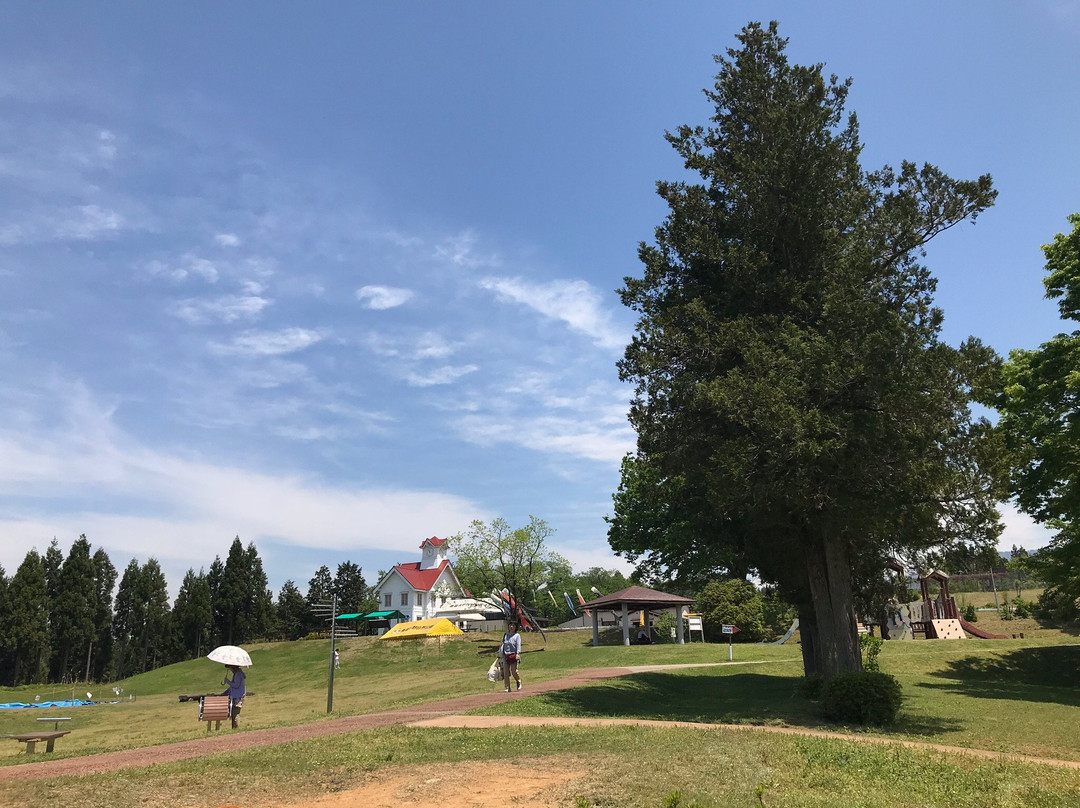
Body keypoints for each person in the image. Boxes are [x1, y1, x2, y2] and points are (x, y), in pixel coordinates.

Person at [498, 620, 522, 692]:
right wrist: (500, 653)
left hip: (514, 655)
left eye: (513, 626)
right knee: (506, 672)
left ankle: (518, 681)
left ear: (516, 627)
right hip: (506, 655)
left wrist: (518, 653)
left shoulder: (517, 636)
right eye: (510, 625)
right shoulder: (506, 635)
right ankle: (507, 687)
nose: (511, 627)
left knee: (514, 671)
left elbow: (518, 645)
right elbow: (503, 644)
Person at [221, 665, 246, 729]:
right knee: (233, 714)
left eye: (231, 668)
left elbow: (235, 685)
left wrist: (227, 681)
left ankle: (236, 729)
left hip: (238, 697)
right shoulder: (237, 674)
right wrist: (224, 694)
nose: (231, 670)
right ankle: (234, 728)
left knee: (235, 714)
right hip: (237, 696)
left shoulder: (238, 674)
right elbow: (232, 688)